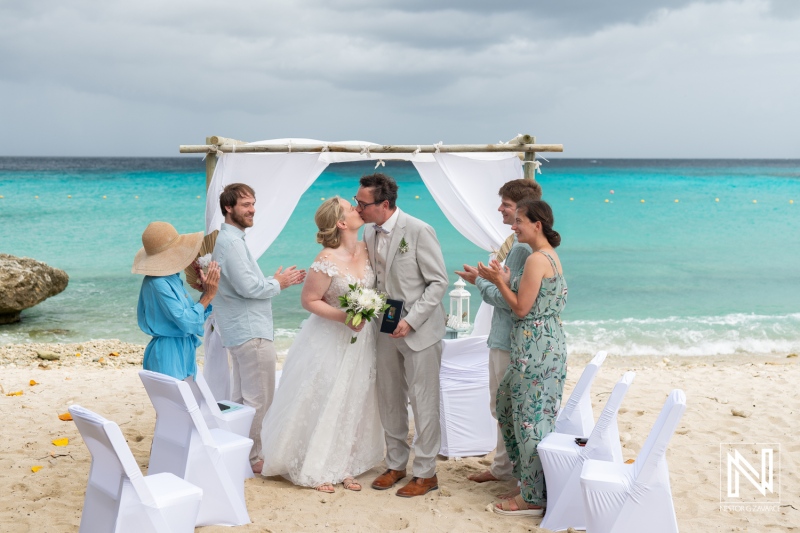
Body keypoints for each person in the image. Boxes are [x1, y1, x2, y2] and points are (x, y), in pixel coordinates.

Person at [259, 197, 384, 492]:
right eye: (350, 207)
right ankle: (317, 466)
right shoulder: (325, 260)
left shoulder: (369, 248)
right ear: (341, 223)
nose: (357, 207)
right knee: (326, 395)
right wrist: (343, 316)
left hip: (362, 338)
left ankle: (347, 466)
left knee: (356, 397)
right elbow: (309, 300)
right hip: (329, 338)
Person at [356, 173, 449, 498]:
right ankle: (396, 464)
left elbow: (438, 282)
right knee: (389, 397)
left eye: (362, 203)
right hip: (383, 326)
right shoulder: (368, 231)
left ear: (384, 204)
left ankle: (426, 473)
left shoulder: (419, 230)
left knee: (424, 402)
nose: (358, 208)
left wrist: (412, 320)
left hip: (419, 330)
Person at [477, 199, 567, 517]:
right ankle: (528, 481)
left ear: (537, 225)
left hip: (536, 349)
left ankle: (532, 496)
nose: (513, 227)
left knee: (529, 419)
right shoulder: (548, 257)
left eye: (519, 221)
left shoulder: (537, 260)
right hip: (543, 345)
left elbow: (520, 308)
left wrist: (497, 279)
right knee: (506, 405)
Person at [211, 183, 306, 474]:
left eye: (253, 204)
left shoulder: (228, 241)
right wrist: (280, 283)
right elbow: (249, 287)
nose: (252, 210)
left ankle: (239, 452)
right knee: (260, 399)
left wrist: (270, 280)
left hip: (238, 330)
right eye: (245, 205)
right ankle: (255, 457)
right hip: (250, 330)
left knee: (241, 399)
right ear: (228, 208)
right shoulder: (232, 243)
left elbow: (243, 283)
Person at [455, 178, 542, 489]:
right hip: (511, 337)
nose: (499, 209)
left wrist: (480, 282)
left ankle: (508, 468)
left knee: (502, 406)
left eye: (505, 205)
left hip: (507, 338)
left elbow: (506, 299)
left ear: (521, 209)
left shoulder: (519, 249)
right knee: (504, 406)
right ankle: (504, 465)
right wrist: (484, 278)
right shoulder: (525, 246)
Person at [133, 221, 220, 380]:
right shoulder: (158, 283)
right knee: (176, 404)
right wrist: (208, 296)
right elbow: (187, 322)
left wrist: (208, 292)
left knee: (185, 403)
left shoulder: (171, 278)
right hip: (168, 353)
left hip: (182, 349)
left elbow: (192, 316)